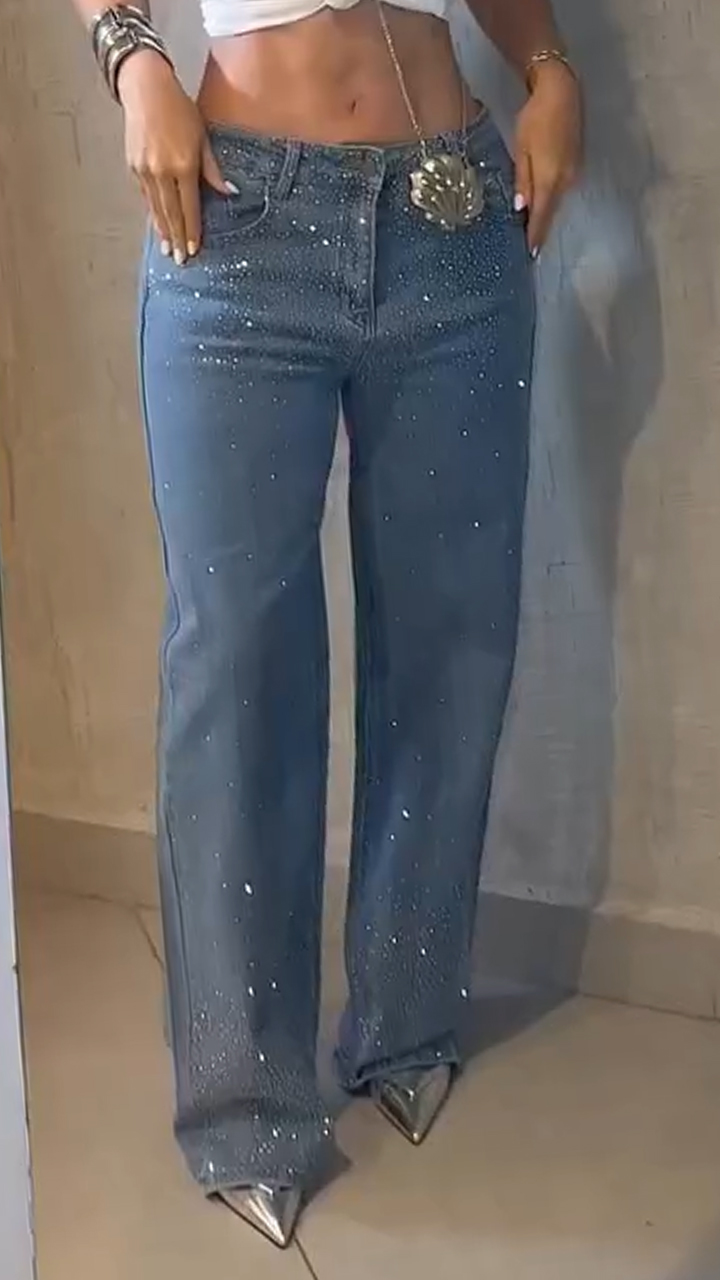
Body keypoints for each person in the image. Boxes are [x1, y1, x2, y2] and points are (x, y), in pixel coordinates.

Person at [71, 0, 581, 1248]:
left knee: (452, 640)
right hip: (239, 213)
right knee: (240, 665)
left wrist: (549, 69)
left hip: (454, 216)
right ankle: (247, 1100)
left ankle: (408, 1018)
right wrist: (133, 63)